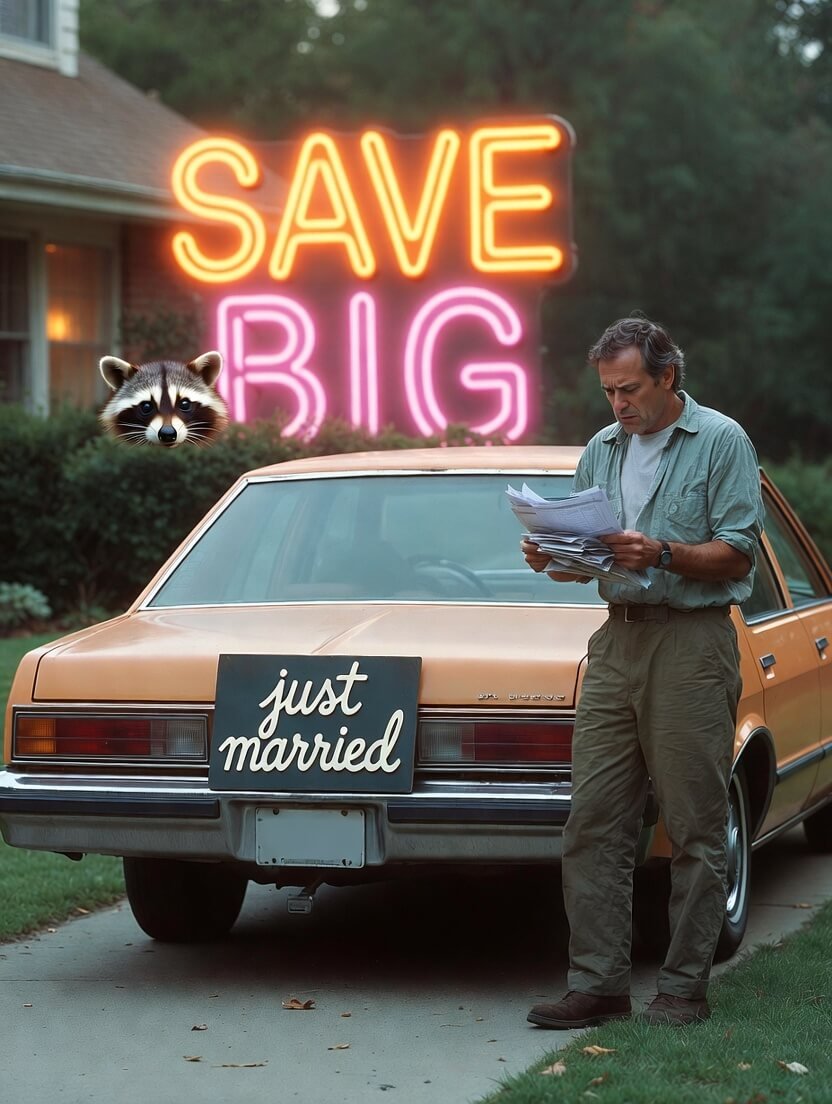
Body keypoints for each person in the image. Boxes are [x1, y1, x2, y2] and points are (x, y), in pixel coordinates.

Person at [523, 316, 764, 1028]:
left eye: (630, 389)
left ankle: (683, 988)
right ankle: (598, 983)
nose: (619, 405)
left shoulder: (721, 441)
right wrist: (554, 557)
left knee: (695, 822)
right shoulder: (601, 448)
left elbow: (739, 552)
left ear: (667, 377)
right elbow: (593, 558)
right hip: (616, 641)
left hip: (691, 642)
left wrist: (661, 553)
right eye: (607, 391)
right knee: (594, 820)